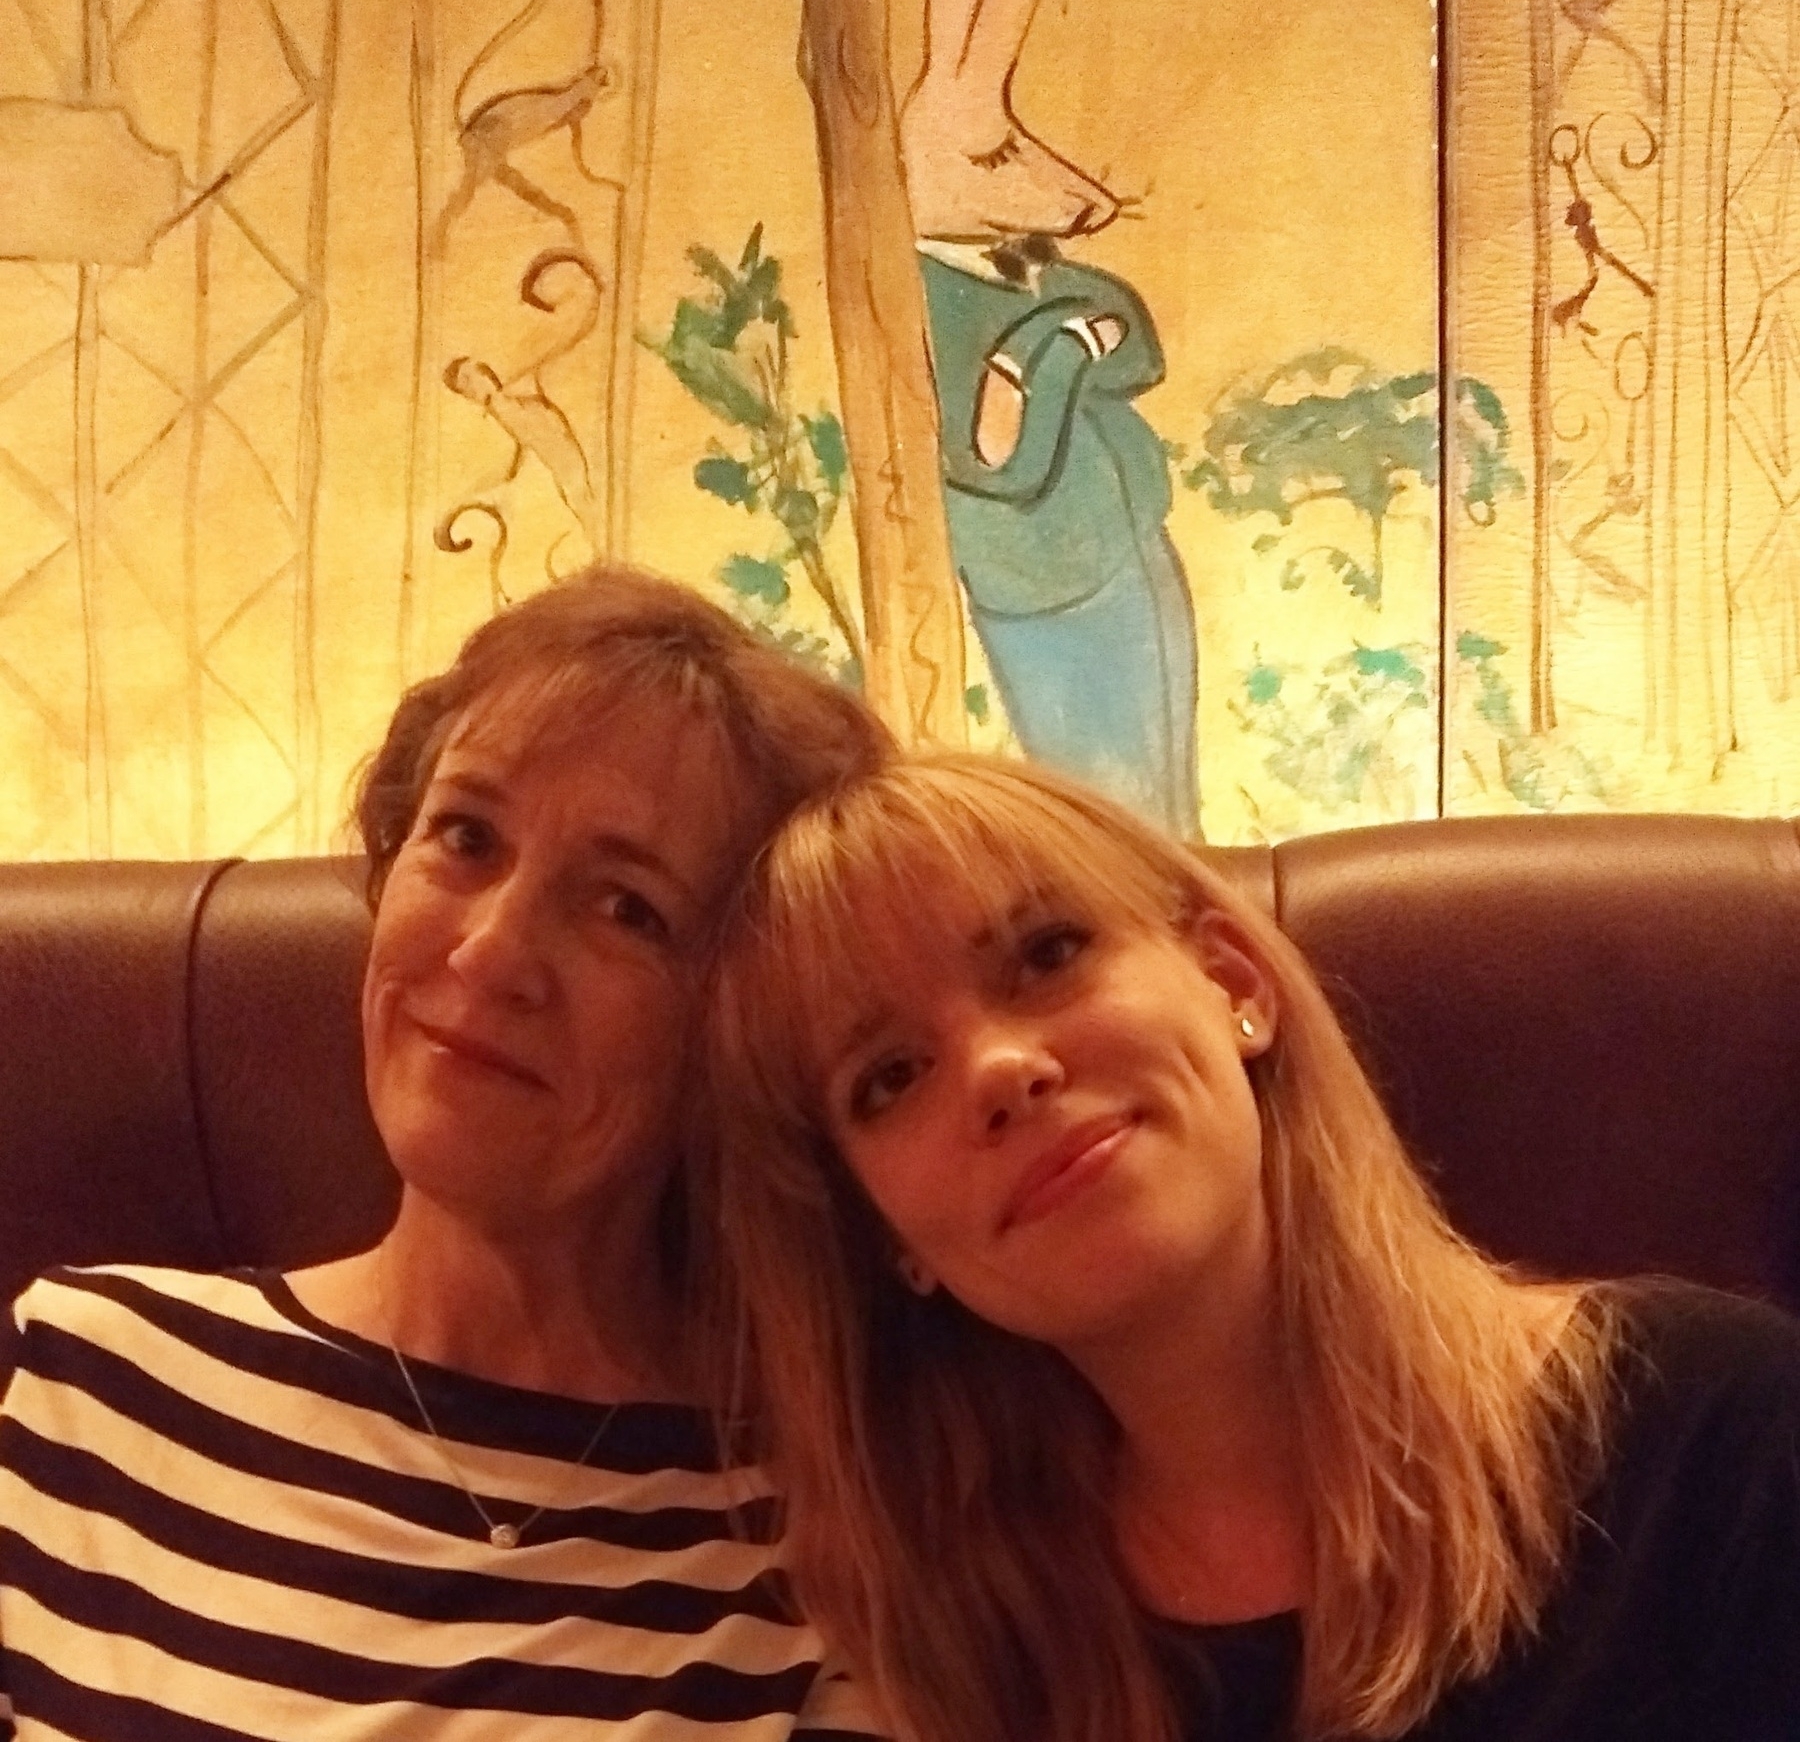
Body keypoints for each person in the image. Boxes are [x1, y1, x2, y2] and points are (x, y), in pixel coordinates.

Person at [696, 753, 1800, 1742]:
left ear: (1234, 982)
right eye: (888, 1076)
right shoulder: (953, 1643)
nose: (998, 1067)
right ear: (890, 1242)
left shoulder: (1719, 1429)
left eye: (1046, 953)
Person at [0, 567, 893, 1740]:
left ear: (735, 1027)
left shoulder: (829, 1533)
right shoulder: (96, 1376)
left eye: (626, 907)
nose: (488, 952)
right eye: (466, 837)